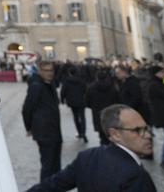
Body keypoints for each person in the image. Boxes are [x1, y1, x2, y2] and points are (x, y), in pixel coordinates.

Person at [27, 104, 156, 192]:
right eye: (138, 130)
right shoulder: (136, 176)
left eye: (146, 129)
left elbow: (50, 186)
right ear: (115, 134)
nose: (148, 136)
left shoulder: (87, 157)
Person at [22, 59, 62, 182]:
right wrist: (28, 127)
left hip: (54, 129)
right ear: (39, 71)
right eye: (46, 71)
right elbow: (27, 109)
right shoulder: (36, 86)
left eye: (51, 70)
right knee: (48, 166)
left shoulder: (49, 84)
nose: (49, 73)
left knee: (55, 165)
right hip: (44, 132)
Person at [86, 68, 120, 145]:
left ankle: (104, 149)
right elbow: (118, 100)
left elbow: (87, 102)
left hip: (98, 113)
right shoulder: (113, 87)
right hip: (111, 113)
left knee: (102, 135)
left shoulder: (91, 88)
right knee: (110, 133)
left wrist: (93, 107)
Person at [60, 66, 88, 142]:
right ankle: (84, 133)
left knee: (75, 117)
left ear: (70, 73)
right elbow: (86, 90)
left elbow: (63, 91)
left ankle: (79, 132)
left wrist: (62, 99)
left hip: (72, 101)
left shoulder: (66, 81)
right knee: (82, 117)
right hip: (81, 101)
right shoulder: (81, 81)